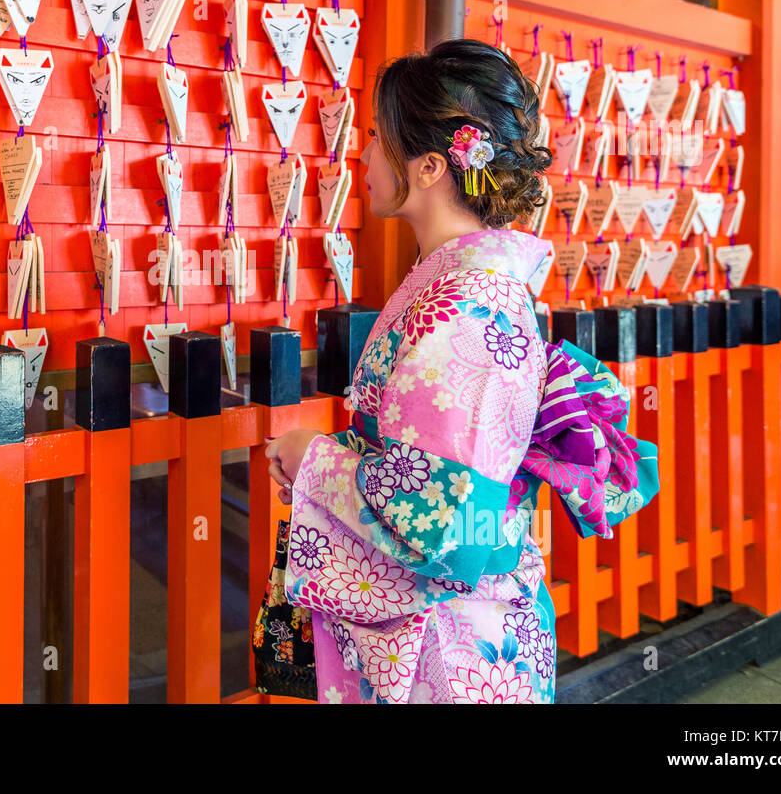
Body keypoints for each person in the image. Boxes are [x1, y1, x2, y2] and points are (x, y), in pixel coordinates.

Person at [264, 39, 659, 704]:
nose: (360, 155)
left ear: (425, 167)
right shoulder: (456, 290)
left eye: (375, 137)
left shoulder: (467, 305)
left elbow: (443, 517)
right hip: (452, 627)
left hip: (451, 646)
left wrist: (317, 461)